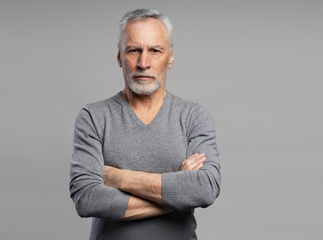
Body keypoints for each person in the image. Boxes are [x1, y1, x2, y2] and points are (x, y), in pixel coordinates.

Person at [69, 8, 221, 240]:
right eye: (133, 50)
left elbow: (205, 188)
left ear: (170, 57)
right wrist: (175, 193)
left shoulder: (193, 116)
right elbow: (86, 198)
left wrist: (118, 178)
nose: (143, 62)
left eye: (155, 50)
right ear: (119, 57)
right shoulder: (94, 117)